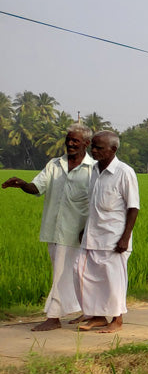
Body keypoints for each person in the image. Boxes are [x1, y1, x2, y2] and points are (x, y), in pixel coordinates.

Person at [3, 124, 95, 331]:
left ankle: (54, 317)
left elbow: (96, 203)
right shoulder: (55, 164)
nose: (70, 144)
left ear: (86, 144)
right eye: (68, 139)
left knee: (73, 273)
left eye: (75, 141)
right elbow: (38, 187)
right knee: (66, 272)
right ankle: (87, 311)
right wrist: (22, 184)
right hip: (54, 230)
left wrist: (87, 228)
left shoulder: (93, 169)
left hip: (79, 232)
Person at [73, 131, 140, 333]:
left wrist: (125, 237)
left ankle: (117, 320)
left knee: (113, 280)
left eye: (99, 148)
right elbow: (93, 203)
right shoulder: (94, 170)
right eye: (92, 147)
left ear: (113, 149)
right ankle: (97, 316)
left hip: (113, 236)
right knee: (82, 273)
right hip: (92, 234)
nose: (93, 151)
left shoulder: (124, 172)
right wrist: (85, 228)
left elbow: (133, 207)